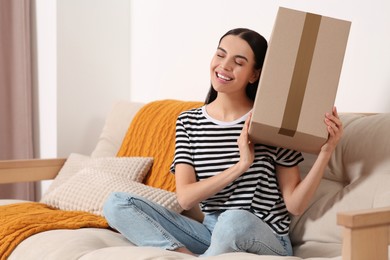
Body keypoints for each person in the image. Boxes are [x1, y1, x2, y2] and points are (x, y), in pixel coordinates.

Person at [103, 28, 343, 257]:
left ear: (254, 75)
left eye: (238, 62)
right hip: (210, 232)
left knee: (234, 219)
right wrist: (240, 166)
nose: (224, 66)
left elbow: (295, 205)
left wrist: (326, 151)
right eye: (220, 54)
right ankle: (185, 255)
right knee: (117, 203)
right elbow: (186, 198)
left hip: (264, 236)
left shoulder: (269, 122)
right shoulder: (189, 121)